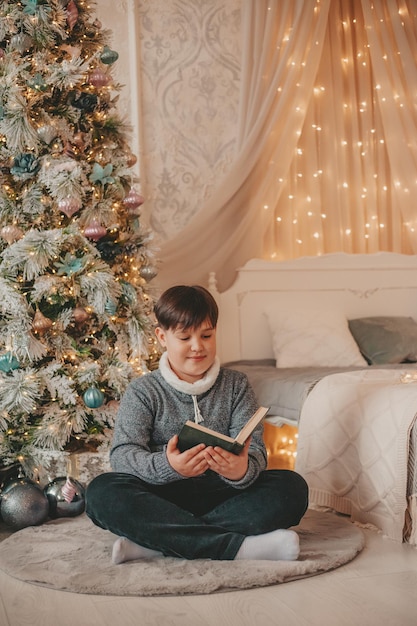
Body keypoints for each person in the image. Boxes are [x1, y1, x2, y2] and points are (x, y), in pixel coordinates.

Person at [86, 285, 308, 563]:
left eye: (206, 335)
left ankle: (155, 544)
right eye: (184, 337)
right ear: (162, 337)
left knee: (291, 487)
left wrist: (241, 470)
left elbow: (257, 453)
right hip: (160, 496)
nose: (197, 347)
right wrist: (169, 467)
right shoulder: (143, 391)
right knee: (101, 492)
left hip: (222, 494)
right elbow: (122, 456)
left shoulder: (236, 385)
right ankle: (240, 548)